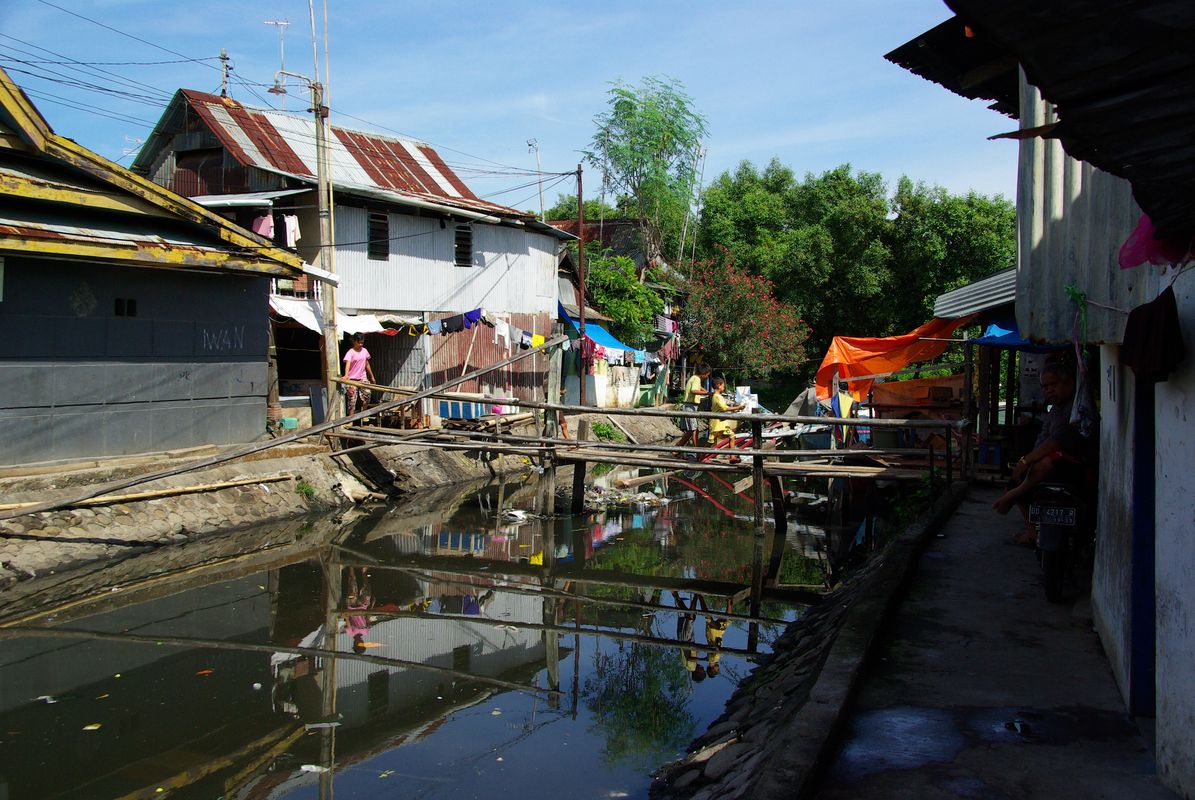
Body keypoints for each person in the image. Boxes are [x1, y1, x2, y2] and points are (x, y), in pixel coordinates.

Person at [992, 362, 1086, 543]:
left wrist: (1026, 461)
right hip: (1048, 468)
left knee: (1043, 464)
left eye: (1054, 384)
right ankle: (1032, 532)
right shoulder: (1055, 411)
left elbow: (1056, 443)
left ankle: (1016, 493)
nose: (1049, 390)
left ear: (1069, 384)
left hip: (1074, 467)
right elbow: (1043, 440)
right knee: (1017, 477)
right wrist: (1025, 462)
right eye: (1045, 386)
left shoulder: (1075, 409)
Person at [708, 376, 747, 464]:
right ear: (718, 386)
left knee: (731, 436)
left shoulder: (717, 396)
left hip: (720, 422)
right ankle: (701, 454)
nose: (724, 387)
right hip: (717, 422)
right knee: (711, 441)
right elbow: (724, 408)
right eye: (723, 385)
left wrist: (736, 408)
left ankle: (732, 456)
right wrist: (738, 407)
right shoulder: (717, 397)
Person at [676, 364, 712, 457]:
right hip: (690, 407)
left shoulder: (694, 378)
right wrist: (707, 392)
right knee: (694, 430)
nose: (707, 377)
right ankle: (696, 451)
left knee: (690, 431)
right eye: (707, 375)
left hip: (689, 406)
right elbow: (694, 390)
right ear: (703, 373)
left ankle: (677, 449)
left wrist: (707, 392)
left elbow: (699, 388)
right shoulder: (697, 379)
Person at [342, 334, 375, 417]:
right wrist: (346, 375)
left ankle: (363, 415)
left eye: (362, 343)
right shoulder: (350, 352)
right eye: (359, 343)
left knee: (367, 395)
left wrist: (372, 376)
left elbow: (367, 364)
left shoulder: (365, 351)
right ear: (354, 342)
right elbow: (348, 364)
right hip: (352, 378)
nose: (361, 345)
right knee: (352, 400)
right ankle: (350, 420)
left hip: (362, 377)